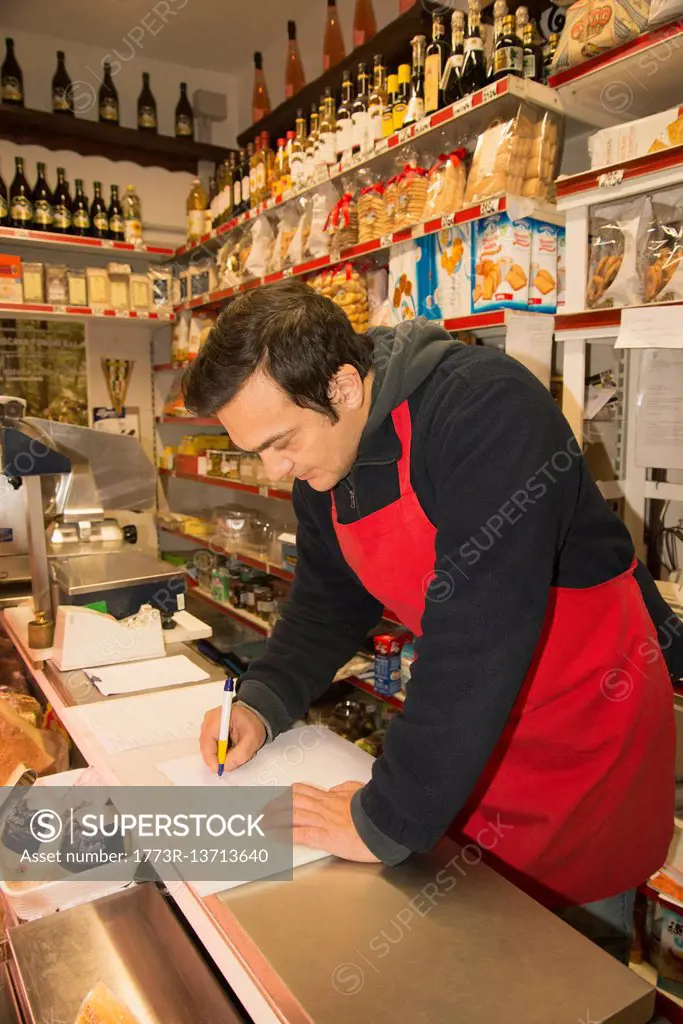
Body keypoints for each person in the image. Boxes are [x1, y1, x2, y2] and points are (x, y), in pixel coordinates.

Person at [184, 280, 682, 964]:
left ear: (344, 387)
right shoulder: (323, 463)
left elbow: (480, 629)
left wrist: (387, 816)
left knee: (561, 972)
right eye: (254, 452)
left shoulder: (484, 408)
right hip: (465, 732)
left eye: (281, 442)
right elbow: (329, 600)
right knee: (463, 955)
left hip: (581, 727)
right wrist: (263, 701)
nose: (276, 470)